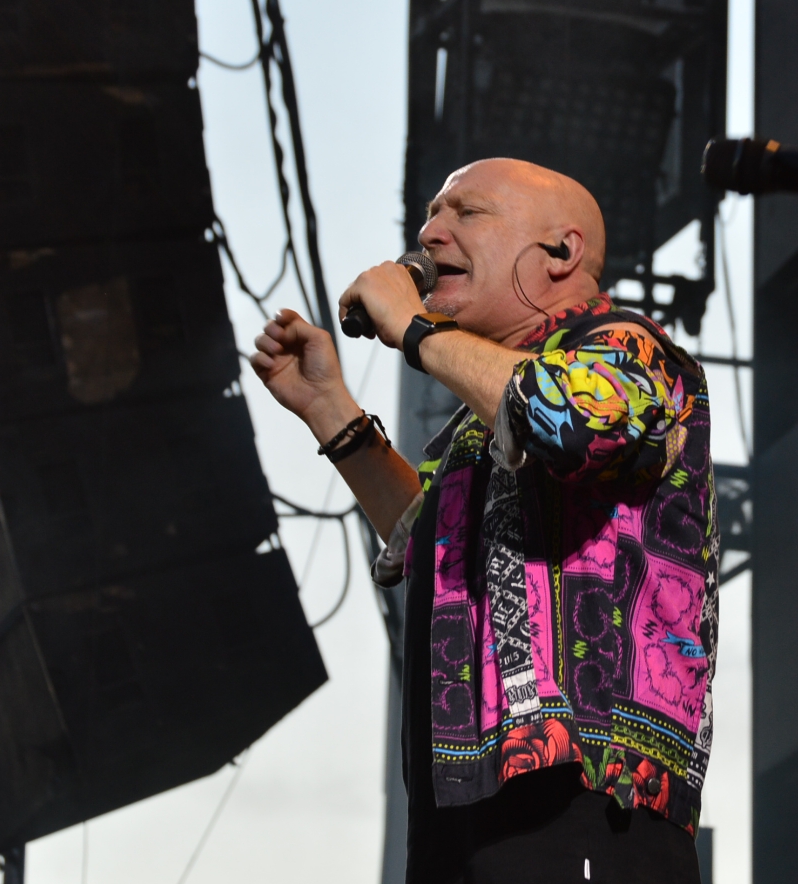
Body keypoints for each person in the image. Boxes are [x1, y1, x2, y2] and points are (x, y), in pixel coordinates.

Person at [249, 158, 717, 884]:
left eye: (466, 212)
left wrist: (412, 328)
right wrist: (330, 411)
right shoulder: (494, 408)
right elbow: (428, 535)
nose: (431, 234)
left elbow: (570, 420)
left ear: (561, 253)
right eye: (431, 216)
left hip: (582, 793)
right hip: (469, 800)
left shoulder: (627, 347)